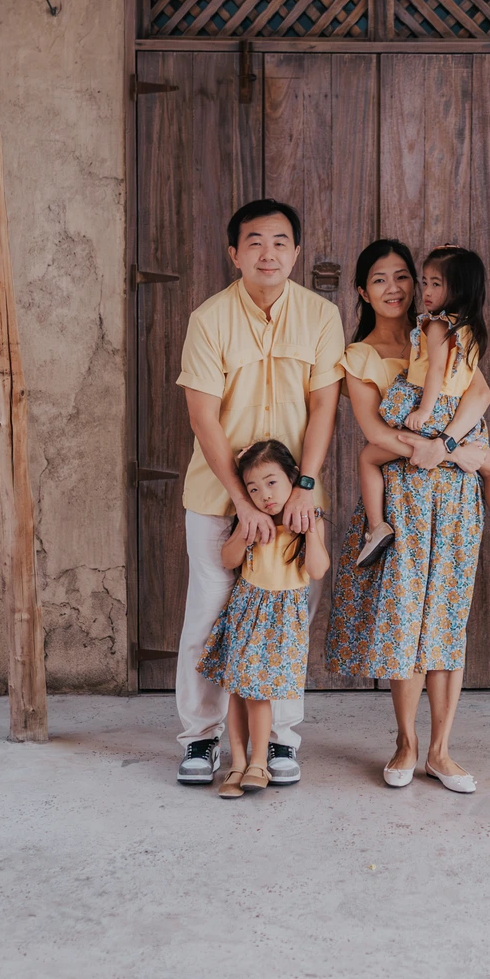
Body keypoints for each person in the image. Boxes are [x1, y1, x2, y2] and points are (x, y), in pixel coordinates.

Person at [174, 199, 344, 787]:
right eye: (254, 242)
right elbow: (203, 416)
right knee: (209, 615)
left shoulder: (322, 316)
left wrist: (304, 484)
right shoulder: (209, 319)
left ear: (295, 253)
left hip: (295, 496)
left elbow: (324, 404)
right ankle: (200, 740)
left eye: (279, 242)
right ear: (233, 253)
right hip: (219, 496)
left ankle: (280, 740)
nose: (267, 253)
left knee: (288, 618)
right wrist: (242, 502)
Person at [325, 240, 489, 793]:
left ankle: (442, 750)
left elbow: (481, 394)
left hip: (456, 496)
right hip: (402, 498)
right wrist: (441, 448)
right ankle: (405, 742)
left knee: (446, 620)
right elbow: (373, 434)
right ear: (362, 291)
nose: (394, 288)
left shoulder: (441, 332)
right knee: (404, 621)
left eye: (403, 277)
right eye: (379, 279)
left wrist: (447, 444)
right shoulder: (359, 354)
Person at [356, 245, 490, 572]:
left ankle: (377, 525)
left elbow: (439, 373)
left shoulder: (436, 325)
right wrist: (452, 449)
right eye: (426, 282)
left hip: (433, 414)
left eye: (434, 284)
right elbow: (468, 387)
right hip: (460, 425)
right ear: (363, 292)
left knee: (367, 457)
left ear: (458, 289)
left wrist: (423, 411)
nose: (427, 291)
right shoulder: (469, 329)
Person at [199, 441, 329, 797]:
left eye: (272, 483)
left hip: (281, 620)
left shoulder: (306, 523)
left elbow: (317, 569)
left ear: (293, 478)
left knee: (258, 694)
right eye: (254, 489)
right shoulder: (252, 522)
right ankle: (237, 763)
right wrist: (244, 526)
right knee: (237, 692)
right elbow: (229, 560)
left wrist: (311, 531)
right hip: (246, 612)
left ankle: (258, 761)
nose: (264, 495)